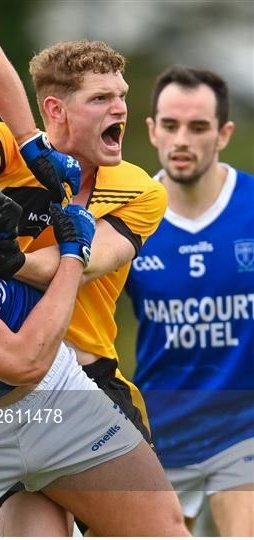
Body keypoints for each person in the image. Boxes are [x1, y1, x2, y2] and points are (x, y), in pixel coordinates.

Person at [0, 39, 182, 536]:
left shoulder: (142, 190)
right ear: (55, 110)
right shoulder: (14, 151)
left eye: (122, 95)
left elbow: (80, 262)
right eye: (100, 98)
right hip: (10, 390)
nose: (121, 107)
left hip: (93, 383)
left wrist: (6, 259)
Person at [125, 66, 254, 536]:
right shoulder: (128, 216)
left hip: (243, 430)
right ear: (152, 130)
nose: (183, 139)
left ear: (223, 134)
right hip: (159, 435)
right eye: (171, 125)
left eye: (198, 127)